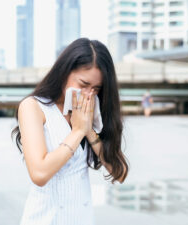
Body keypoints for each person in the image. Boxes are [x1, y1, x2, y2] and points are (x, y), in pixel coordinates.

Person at [11, 38, 129, 225]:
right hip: (45, 218)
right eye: (83, 84)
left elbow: (119, 172)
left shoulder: (93, 108)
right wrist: (77, 132)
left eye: (96, 88)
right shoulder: (34, 107)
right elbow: (39, 175)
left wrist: (89, 131)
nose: (88, 94)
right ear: (64, 72)